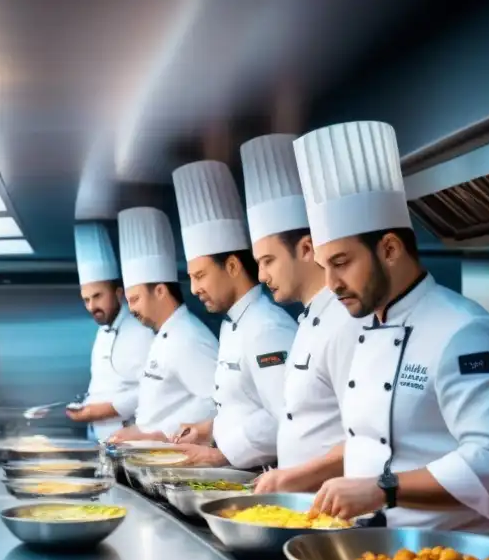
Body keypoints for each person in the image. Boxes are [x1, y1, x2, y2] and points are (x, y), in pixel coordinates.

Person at [293, 121, 489, 535]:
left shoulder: (465, 331)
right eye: (324, 267)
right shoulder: (364, 331)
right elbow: (375, 441)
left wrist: (384, 489)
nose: (331, 285)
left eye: (342, 263)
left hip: (451, 559)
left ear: (389, 248)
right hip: (375, 549)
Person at [229, 134, 364, 493]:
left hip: (333, 508)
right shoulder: (306, 321)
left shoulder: (347, 323)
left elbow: (370, 440)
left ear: (306, 249)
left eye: (268, 261)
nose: (260, 276)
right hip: (302, 504)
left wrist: (292, 476)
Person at [169, 161, 297, 470]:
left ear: (232, 266)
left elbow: (285, 415)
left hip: (261, 471)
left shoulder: (267, 328)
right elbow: (245, 406)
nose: (195, 288)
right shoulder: (233, 325)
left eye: (200, 275)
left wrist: (222, 453)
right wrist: (208, 429)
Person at [107, 207, 219, 443]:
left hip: (177, 456)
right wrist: (141, 430)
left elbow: (214, 400)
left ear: (160, 291)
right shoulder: (163, 335)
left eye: (135, 299)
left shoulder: (188, 337)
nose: (132, 309)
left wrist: (162, 432)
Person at [65, 223, 153, 442]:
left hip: (130, 442)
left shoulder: (141, 331)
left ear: (118, 293)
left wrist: (104, 410)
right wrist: (85, 406)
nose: (91, 306)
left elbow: (154, 390)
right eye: (86, 299)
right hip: (100, 440)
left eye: (97, 296)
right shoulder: (103, 331)